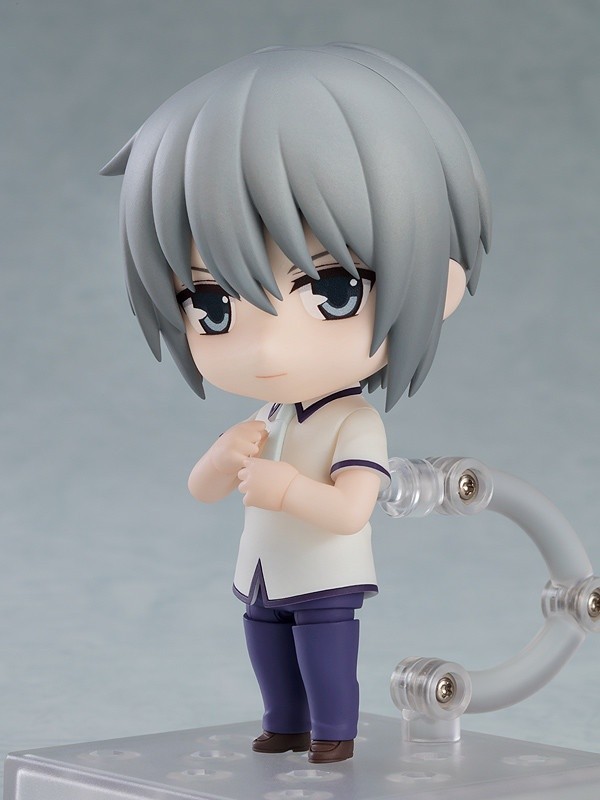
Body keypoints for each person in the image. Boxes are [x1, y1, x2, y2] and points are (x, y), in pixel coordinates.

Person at [101, 42, 490, 763]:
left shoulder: (354, 421)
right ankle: (284, 723)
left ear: (439, 283)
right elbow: (202, 489)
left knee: (324, 658)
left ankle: (333, 734)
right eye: (212, 305)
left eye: (333, 291)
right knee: (267, 653)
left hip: (323, 574)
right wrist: (222, 457)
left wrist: (283, 488)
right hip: (262, 571)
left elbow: (350, 510)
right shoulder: (267, 416)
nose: (268, 347)